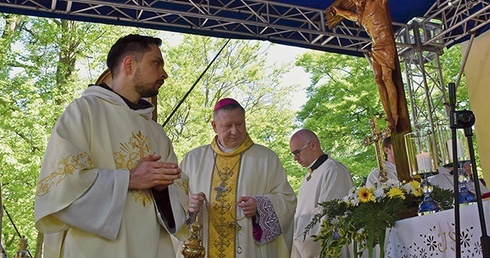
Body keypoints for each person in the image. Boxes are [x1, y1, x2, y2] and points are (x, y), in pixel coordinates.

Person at [34, 34, 188, 257]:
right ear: (129, 64)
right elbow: (62, 185)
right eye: (156, 63)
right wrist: (131, 178)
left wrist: (163, 189)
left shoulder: (157, 133)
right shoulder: (83, 112)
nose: (164, 73)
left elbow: (178, 201)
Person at [178, 98, 297, 258]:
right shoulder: (193, 160)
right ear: (214, 126)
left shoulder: (266, 158)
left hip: (248, 249)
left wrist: (260, 206)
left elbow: (288, 200)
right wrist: (189, 205)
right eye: (228, 126)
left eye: (239, 124)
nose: (235, 131)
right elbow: (174, 202)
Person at [331, 0, 399, 130]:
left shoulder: (378, 2)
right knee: (378, 79)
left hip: (386, 44)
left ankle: (395, 115)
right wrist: (339, 12)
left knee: (386, 78)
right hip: (375, 45)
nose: (356, 1)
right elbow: (351, 16)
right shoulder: (362, 14)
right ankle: (388, 115)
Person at [289, 129, 354, 258]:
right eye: (293, 154)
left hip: (328, 247)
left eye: (297, 152)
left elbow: (329, 215)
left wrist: (299, 232)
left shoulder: (333, 170)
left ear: (312, 145)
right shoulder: (309, 174)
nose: (295, 158)